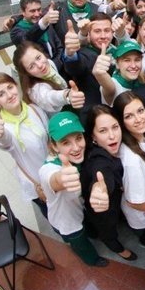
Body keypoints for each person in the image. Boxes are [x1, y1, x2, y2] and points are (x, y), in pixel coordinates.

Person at [39, 111, 108, 267]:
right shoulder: (48, 169)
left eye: (78, 138)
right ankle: (92, 260)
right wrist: (62, 179)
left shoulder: (78, 157)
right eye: (66, 143)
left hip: (80, 209)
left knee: (88, 227)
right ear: (54, 146)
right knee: (80, 242)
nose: (76, 147)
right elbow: (53, 178)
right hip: (67, 222)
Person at [0, 73, 49, 217]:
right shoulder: (4, 126)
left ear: (16, 86)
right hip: (39, 186)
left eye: (10, 87)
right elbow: (4, 141)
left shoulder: (33, 109)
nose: (9, 95)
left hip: (56, 174)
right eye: (1, 94)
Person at [81, 105, 137, 261]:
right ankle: (117, 248)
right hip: (104, 209)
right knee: (107, 229)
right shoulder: (98, 160)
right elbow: (101, 174)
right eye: (103, 131)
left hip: (116, 202)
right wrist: (99, 189)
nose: (112, 136)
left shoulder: (119, 146)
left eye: (115, 127)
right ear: (93, 136)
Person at [114, 92, 145, 250]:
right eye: (129, 116)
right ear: (121, 122)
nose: (138, 119)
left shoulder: (144, 136)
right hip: (143, 213)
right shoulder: (132, 159)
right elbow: (135, 202)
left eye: (140, 111)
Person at [13, 41, 85, 116]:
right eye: (32, 66)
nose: (40, 65)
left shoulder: (49, 63)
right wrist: (67, 95)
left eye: (38, 57)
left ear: (42, 52)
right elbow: (50, 97)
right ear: (27, 73)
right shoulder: (35, 90)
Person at [10, 0, 64, 72]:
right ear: (23, 12)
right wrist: (43, 22)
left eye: (39, 9)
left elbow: (59, 47)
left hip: (57, 68)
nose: (37, 14)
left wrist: (55, 65)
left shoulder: (46, 21)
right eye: (32, 11)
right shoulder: (16, 32)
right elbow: (27, 38)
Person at [92, 40, 145, 106]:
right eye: (127, 60)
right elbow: (108, 85)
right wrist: (100, 73)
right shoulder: (114, 84)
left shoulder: (141, 81)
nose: (133, 66)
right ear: (117, 64)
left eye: (137, 60)